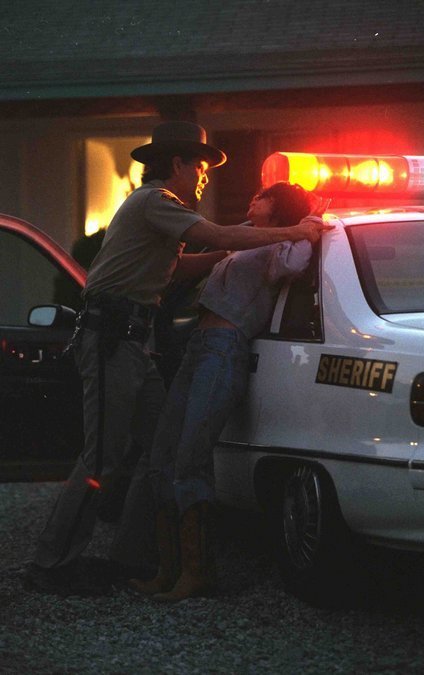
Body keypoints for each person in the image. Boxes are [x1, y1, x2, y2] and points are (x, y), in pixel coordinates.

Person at [26, 121, 332, 596]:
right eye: (200, 167)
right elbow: (212, 232)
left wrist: (231, 250)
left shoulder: (162, 211)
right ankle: (53, 564)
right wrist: (294, 229)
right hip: (112, 339)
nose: (205, 177)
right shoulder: (157, 200)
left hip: (135, 343)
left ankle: (130, 558)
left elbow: (179, 267)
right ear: (177, 164)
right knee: (103, 455)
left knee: (159, 451)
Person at [129, 181, 329, 602]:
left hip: (224, 347)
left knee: (191, 456)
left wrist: (310, 219)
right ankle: (168, 569)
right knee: (163, 454)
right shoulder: (245, 239)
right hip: (198, 346)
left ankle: (197, 572)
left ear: (279, 207)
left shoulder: (279, 246)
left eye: (264, 195)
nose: (254, 197)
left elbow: (297, 261)